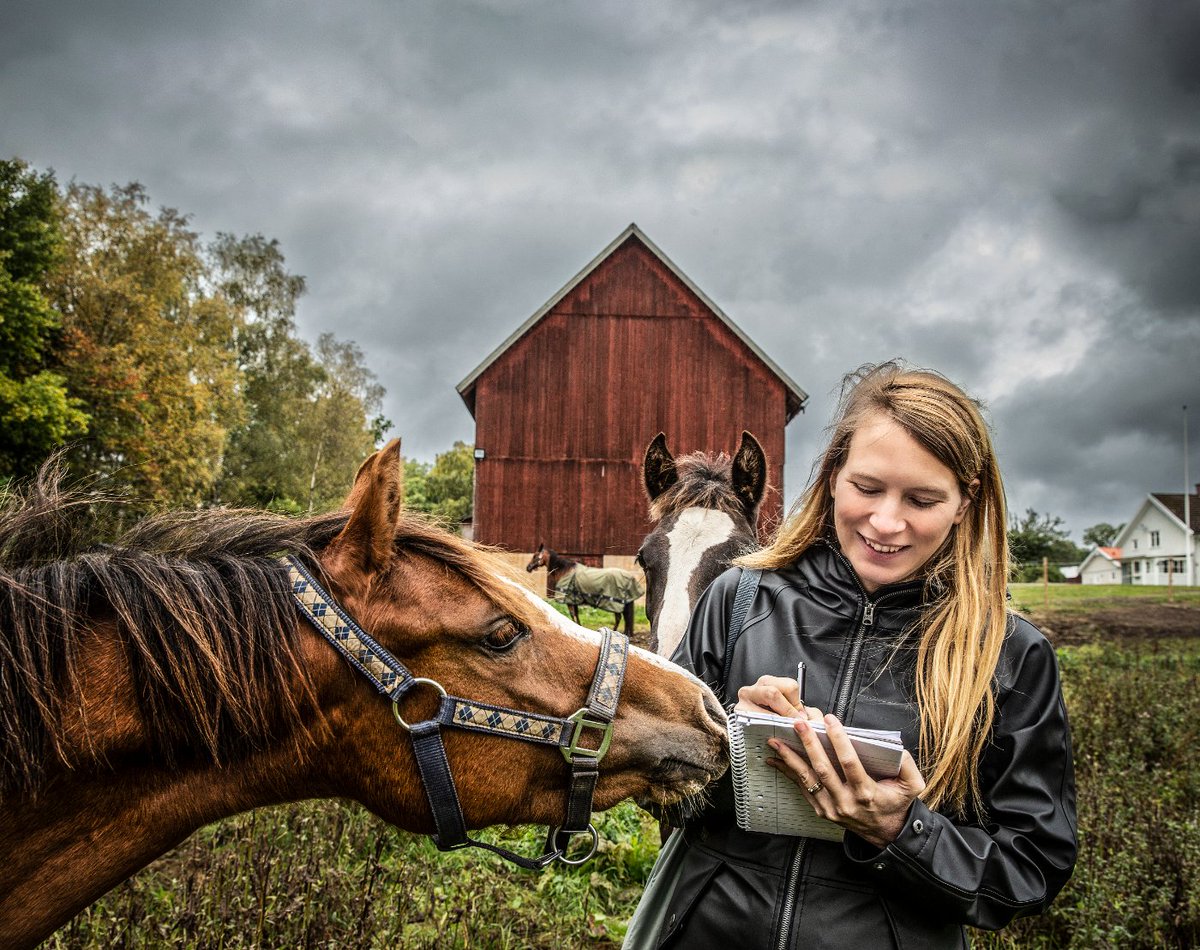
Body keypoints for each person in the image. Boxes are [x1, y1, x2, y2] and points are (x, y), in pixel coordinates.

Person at [633, 361, 1077, 949]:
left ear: (965, 502)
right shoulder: (737, 600)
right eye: (867, 488)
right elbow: (656, 780)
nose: (886, 522)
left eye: (922, 499)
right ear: (834, 474)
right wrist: (731, 744)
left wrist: (900, 829)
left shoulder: (1009, 656)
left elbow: (1031, 867)